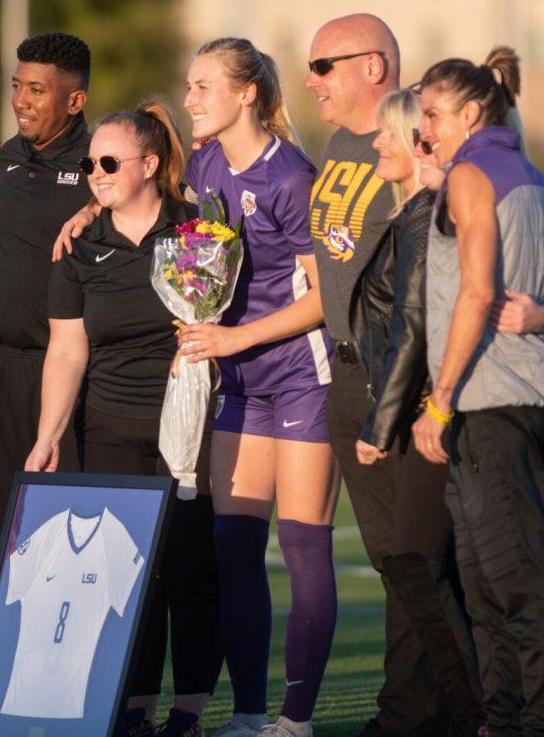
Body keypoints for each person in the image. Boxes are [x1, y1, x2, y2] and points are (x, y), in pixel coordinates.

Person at [26, 102, 223, 737]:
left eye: (109, 163)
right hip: (109, 427)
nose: (96, 174)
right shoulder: (78, 245)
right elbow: (67, 348)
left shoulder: (196, 227)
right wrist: (48, 434)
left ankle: (188, 713)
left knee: (192, 572)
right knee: (129, 577)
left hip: (190, 433)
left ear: (150, 165)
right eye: (89, 165)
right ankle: (134, 708)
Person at [304, 13, 470, 737]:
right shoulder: (340, 144)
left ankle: (421, 712)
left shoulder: (420, 157)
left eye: (324, 65)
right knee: (392, 558)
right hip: (346, 369)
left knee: (415, 556)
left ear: (375, 66)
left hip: (397, 379)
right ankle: (421, 708)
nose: (313, 81)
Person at [412, 46, 544, 737]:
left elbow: (478, 293)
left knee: (515, 578)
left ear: (472, 112)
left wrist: (439, 400)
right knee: (485, 580)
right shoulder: (535, 176)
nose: (425, 130)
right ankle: (505, 717)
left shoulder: (474, 173)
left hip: (492, 404)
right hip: (540, 400)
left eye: (432, 115)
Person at [175, 38, 335, 737]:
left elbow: (326, 298)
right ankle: (245, 715)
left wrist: (235, 338)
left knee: (303, 548)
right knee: (233, 547)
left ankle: (294, 721)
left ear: (245, 94)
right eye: (189, 86)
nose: (190, 100)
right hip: (238, 382)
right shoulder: (206, 162)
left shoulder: (292, 177)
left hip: (302, 378)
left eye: (203, 86)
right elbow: (192, 254)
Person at [346, 89, 482, 736]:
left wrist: (381, 422)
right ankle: (431, 712)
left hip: (425, 412)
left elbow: (414, 328)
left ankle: (477, 712)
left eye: (387, 136)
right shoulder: (411, 215)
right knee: (419, 566)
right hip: (409, 409)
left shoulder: (425, 217)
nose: (376, 145)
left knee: (418, 563)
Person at [0, 32, 95, 539]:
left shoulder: (98, 162)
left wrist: (93, 206)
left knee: (71, 533)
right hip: (1, 367)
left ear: (76, 100)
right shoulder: (8, 156)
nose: (20, 100)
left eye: (37, 90)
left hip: (68, 373)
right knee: (11, 535)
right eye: (17, 85)